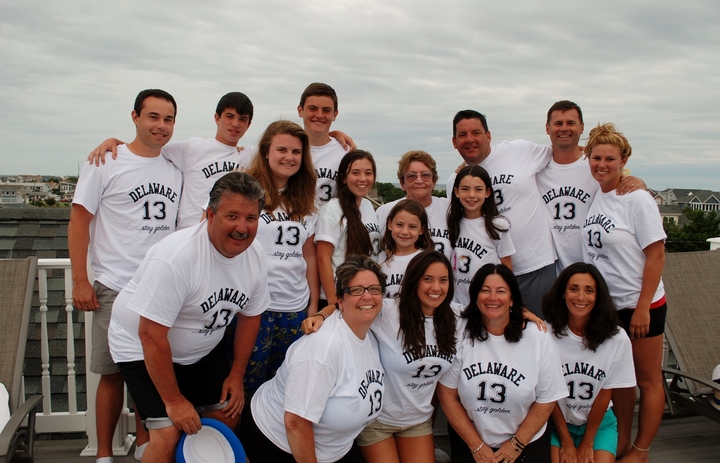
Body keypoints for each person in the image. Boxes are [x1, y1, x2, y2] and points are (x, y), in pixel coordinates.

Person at [108, 172, 271, 463]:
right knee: (168, 433)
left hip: (201, 348)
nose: (242, 228)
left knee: (227, 416)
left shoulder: (256, 255)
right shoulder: (177, 257)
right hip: (140, 344)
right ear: (210, 214)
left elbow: (250, 316)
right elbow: (151, 335)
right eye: (232, 215)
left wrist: (236, 374)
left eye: (251, 218)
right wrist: (174, 401)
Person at [68, 89, 183, 462]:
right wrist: (81, 280)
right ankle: (104, 452)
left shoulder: (173, 168)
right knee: (112, 373)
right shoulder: (106, 162)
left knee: (151, 372)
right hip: (115, 285)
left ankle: (146, 445)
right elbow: (79, 221)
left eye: (168, 119)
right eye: (153, 117)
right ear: (135, 116)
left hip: (160, 288)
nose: (160, 126)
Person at [87, 90, 355, 228]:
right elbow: (151, 145)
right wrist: (116, 142)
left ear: (249, 125)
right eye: (229, 116)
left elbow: (282, 150)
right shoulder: (192, 148)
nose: (235, 124)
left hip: (227, 239)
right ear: (217, 118)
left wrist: (331, 134)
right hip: (191, 237)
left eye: (242, 119)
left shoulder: (250, 154)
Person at [240, 256, 386, 463]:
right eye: (356, 290)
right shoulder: (323, 350)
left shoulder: (368, 334)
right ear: (340, 300)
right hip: (281, 445)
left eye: (374, 289)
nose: (367, 297)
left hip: (336, 448)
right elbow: (295, 423)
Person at [582, 123, 667, 463]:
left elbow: (656, 254)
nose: (602, 165)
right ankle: (622, 442)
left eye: (610, 159)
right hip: (606, 307)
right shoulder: (597, 196)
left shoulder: (637, 200)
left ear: (624, 160)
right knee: (619, 381)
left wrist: (644, 307)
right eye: (596, 158)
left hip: (639, 304)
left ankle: (642, 450)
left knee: (647, 381)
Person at [437, 264, 567, 463]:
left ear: (512, 298)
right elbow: (448, 396)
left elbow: (547, 399)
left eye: (501, 291)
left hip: (526, 442)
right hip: (471, 441)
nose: (492, 298)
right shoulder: (461, 330)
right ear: (475, 296)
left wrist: (516, 444)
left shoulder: (536, 337)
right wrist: (477, 446)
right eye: (485, 290)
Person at [447, 110, 556, 317]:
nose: (470, 140)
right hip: (490, 284)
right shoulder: (455, 180)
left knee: (541, 334)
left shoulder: (519, 150)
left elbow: (566, 156)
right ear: (454, 141)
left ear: (488, 136)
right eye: (463, 135)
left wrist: (623, 176)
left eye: (476, 133)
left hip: (535, 267)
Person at [240, 120, 320, 394]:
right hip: (251, 307)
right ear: (265, 152)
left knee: (283, 388)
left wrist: (311, 306)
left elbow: (309, 256)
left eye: (296, 152)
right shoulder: (243, 190)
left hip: (293, 309)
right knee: (245, 385)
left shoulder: (307, 200)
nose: (289, 157)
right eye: (282, 149)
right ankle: (239, 439)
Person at [357, 250, 459, 463]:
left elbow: (494, 309)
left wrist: (522, 313)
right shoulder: (389, 312)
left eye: (443, 280)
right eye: (428, 279)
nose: (436, 288)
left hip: (417, 421)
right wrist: (321, 315)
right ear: (414, 280)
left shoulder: (456, 317)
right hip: (377, 420)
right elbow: (351, 303)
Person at [536, 101, 646, 273]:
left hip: (598, 270)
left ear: (581, 127)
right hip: (555, 273)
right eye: (558, 123)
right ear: (547, 128)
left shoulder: (595, 165)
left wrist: (640, 184)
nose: (564, 128)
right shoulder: (537, 167)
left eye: (571, 123)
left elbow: (622, 187)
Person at [543, 263, 636, 463]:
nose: (581, 297)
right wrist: (566, 442)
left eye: (589, 290)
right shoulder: (545, 334)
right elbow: (547, 394)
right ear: (562, 293)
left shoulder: (616, 338)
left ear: (598, 296)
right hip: (555, 423)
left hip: (599, 424)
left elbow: (605, 393)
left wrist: (587, 443)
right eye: (573, 289)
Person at [314, 149, 381, 307]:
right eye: (356, 173)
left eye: (368, 173)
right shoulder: (333, 209)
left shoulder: (367, 206)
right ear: (344, 178)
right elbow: (323, 259)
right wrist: (333, 301)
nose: (363, 179)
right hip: (340, 297)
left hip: (363, 294)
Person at [447, 165, 515, 307]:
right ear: (456, 192)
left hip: (486, 302)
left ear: (487, 192)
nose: (471, 195)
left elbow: (507, 267)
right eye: (465, 189)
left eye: (478, 189)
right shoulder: (451, 222)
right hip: (456, 302)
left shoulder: (497, 225)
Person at [376, 150, 452, 258]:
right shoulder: (385, 212)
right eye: (412, 176)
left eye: (425, 175)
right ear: (402, 183)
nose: (419, 180)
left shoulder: (449, 209)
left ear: (434, 182)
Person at [298, 82, 352, 204]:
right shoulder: (286, 150)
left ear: (335, 114)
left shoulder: (345, 153)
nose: (319, 115)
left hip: (331, 222)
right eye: (313, 109)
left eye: (326, 110)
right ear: (300, 110)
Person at [377, 199, 434, 298]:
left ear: (421, 230)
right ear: (390, 224)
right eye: (399, 225)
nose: (405, 232)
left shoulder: (427, 260)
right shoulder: (379, 259)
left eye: (412, 226)